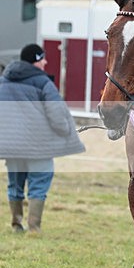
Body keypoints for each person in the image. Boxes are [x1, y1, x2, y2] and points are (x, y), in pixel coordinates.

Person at [0, 43, 85, 233]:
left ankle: (16, 224)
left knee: (15, 184)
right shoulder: (43, 82)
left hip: (12, 147)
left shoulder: (4, 81)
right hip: (38, 146)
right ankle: (34, 228)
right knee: (39, 183)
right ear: (35, 61)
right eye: (42, 58)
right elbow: (56, 115)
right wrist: (65, 131)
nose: (45, 61)